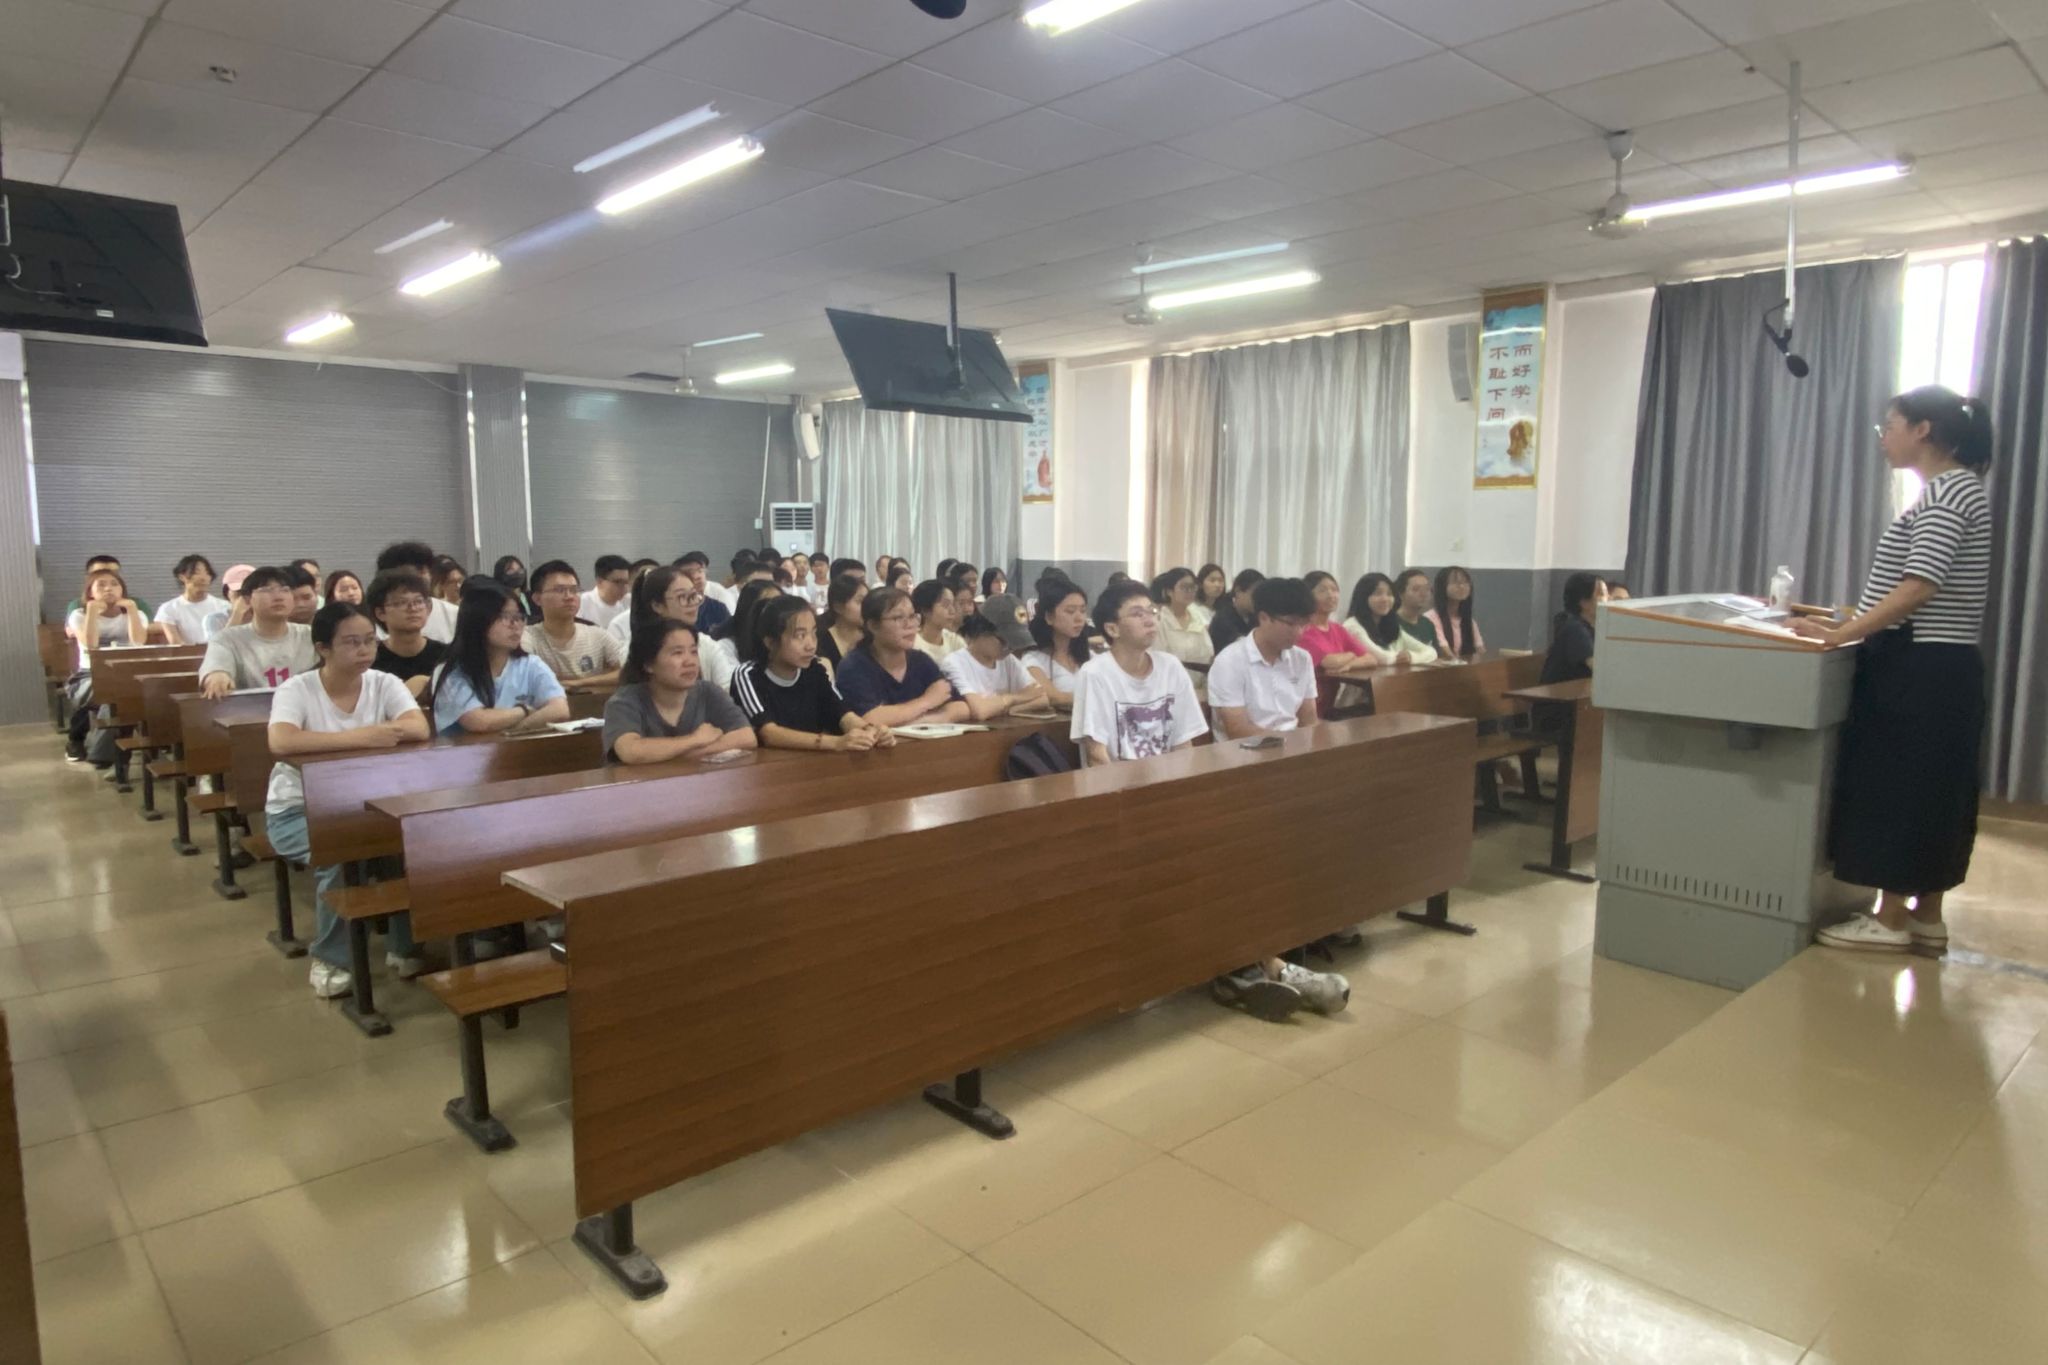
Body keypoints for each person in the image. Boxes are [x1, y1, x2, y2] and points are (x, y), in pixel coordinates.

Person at [1790, 387, 1993, 954]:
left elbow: (1918, 587)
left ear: (1923, 430)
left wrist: (1840, 634)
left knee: (1901, 786)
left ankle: (1891, 918)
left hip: (1919, 665)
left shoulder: (1947, 493)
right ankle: (1926, 916)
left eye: (1891, 425)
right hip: (1937, 666)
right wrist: (1846, 619)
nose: (1883, 438)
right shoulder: (1955, 489)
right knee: (1934, 788)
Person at [261, 602, 431, 997]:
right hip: (297, 812)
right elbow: (282, 740)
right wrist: (364, 737)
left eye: (370, 640)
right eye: (352, 642)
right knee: (340, 856)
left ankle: (404, 947)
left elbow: (417, 728)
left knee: (404, 846)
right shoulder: (297, 689)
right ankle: (331, 959)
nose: (364, 650)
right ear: (323, 648)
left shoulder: (383, 682)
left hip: (367, 809)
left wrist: (357, 737)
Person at [1204, 576, 1353, 1019]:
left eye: (1305, 622)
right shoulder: (1231, 661)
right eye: (1291, 623)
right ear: (1264, 617)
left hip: (1290, 769)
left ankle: (1309, 931)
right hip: (1240, 773)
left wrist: (1309, 759)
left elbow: (1309, 720)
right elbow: (1237, 731)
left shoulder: (1300, 659)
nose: (1300, 632)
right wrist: (1291, 749)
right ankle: (1266, 961)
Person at [731, 596, 895, 751]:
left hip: (812, 761)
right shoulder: (749, 675)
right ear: (770, 642)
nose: (811, 645)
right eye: (800, 636)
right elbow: (769, 733)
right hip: (769, 765)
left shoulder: (814, 669)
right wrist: (836, 743)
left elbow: (842, 714)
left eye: (813, 633)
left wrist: (871, 731)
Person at [1070, 580, 1206, 766]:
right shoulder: (1095, 673)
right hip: (1116, 781)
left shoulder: (1170, 667)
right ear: (1112, 629)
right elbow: (1096, 755)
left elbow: (1183, 744)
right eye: (1137, 614)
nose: (1150, 620)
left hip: (1167, 780)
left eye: (1152, 611)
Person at [601, 618, 755, 764]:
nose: (690, 662)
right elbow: (630, 751)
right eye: (677, 653)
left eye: (693, 652)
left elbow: (746, 737)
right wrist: (695, 739)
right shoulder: (624, 701)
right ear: (648, 664)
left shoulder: (708, 692)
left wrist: (692, 753)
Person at [432, 579, 569, 737]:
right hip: (467, 752)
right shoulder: (452, 670)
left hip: (517, 749)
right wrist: (525, 710)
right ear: (478, 621)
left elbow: (560, 709)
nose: (515, 625)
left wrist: (515, 731)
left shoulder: (531, 664)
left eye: (519, 617)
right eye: (505, 617)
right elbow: (478, 721)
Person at [834, 587, 970, 726]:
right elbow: (870, 719)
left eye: (912, 616)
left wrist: (923, 722)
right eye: (898, 618)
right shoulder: (854, 666)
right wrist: (927, 701)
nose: (909, 625)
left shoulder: (921, 661)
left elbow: (962, 707)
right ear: (873, 626)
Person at [62, 568, 149, 762]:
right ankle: (110, 758)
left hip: (127, 675)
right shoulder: (79, 615)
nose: (108, 589)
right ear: (90, 592)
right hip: (88, 675)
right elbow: (90, 645)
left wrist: (132, 610)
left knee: (123, 697)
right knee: (121, 695)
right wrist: (93, 611)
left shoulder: (136, 614)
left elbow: (138, 642)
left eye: (114, 584)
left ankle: (108, 759)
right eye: (101, 585)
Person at [198, 566, 317, 699]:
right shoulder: (226, 639)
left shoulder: (311, 635)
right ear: (247, 599)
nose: (278, 597)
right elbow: (216, 666)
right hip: (249, 710)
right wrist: (218, 675)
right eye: (267, 590)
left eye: (285, 590)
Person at [523, 560, 624, 691]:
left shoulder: (597, 634)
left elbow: (629, 671)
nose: (569, 597)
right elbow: (524, 677)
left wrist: (579, 683)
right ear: (537, 599)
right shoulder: (527, 636)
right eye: (560, 590)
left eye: (574, 590)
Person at [942, 603, 1050, 721]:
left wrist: (1009, 708)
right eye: (1004, 641)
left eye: (1015, 643)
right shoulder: (954, 663)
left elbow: (1042, 698)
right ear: (980, 630)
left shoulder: (1009, 661)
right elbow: (980, 711)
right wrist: (1013, 698)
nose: (1009, 648)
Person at [365, 570, 446, 698]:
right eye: (401, 602)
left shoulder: (446, 656)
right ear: (380, 613)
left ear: (428, 608)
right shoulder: (370, 660)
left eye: (418, 601)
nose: (413, 608)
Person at [1343, 572, 1438, 666]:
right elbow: (1380, 658)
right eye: (1377, 593)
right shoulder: (1352, 625)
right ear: (1363, 597)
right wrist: (1400, 657)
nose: (1385, 599)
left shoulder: (1391, 626)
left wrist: (1411, 656)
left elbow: (1431, 652)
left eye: (1389, 594)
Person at [1022, 580, 1091, 709]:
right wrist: (1095, 697)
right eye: (1070, 611)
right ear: (1049, 617)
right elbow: (1053, 697)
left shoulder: (1090, 656)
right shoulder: (1033, 660)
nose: (1079, 618)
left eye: (1083, 611)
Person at [375, 542, 459, 643]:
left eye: (422, 571)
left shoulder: (454, 615)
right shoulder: (373, 624)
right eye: (408, 573)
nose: (417, 579)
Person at [1539, 572, 1606, 685]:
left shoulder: (1593, 627)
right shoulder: (1574, 629)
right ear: (1584, 602)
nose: (1609, 600)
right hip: (1558, 695)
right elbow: (1599, 669)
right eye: (1602, 594)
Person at [1296, 570, 1371, 670]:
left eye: (1334, 590)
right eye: (1322, 590)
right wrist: (1351, 654)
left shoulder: (1338, 629)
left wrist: (1350, 665)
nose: (1331, 595)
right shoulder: (1303, 629)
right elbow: (1330, 662)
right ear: (1308, 596)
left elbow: (1370, 659)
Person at [714, 579, 782, 679]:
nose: (776, 612)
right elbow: (733, 684)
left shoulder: (782, 640)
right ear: (749, 610)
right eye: (767, 605)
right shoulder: (725, 647)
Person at [1150, 567, 1215, 671]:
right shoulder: (1160, 619)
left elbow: (1208, 652)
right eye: (1184, 587)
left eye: (1193, 587)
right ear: (1169, 591)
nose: (1189, 592)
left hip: (1199, 677)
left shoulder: (1197, 617)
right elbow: (1157, 657)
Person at [155, 555, 228, 645]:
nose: (203, 578)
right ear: (182, 577)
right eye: (197, 573)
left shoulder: (224, 606)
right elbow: (176, 643)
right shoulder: (169, 608)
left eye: (207, 573)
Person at [1427, 565, 1485, 659]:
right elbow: (1446, 653)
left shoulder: (1469, 621)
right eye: (1455, 582)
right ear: (1442, 587)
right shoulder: (1430, 618)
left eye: (1465, 582)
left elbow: (1480, 651)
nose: (1462, 586)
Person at [65, 555, 151, 616]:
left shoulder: (135, 603)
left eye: (114, 573)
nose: (108, 576)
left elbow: (151, 626)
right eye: (100, 573)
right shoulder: (78, 605)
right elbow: (71, 631)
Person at [815, 573, 867, 673]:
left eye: (868, 600)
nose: (867, 606)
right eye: (860, 601)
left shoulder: (873, 637)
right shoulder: (821, 641)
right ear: (838, 607)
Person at [1208, 568, 1265, 653]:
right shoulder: (1223, 619)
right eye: (1254, 594)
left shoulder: (1256, 617)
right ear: (1238, 591)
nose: (1258, 600)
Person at [672, 552, 731, 631]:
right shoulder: (673, 609)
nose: (698, 576)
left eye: (700, 571)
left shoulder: (718, 608)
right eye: (690, 572)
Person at [911, 579, 965, 663]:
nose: (952, 611)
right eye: (946, 605)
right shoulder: (912, 644)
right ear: (926, 610)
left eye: (953, 604)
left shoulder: (955, 641)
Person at [1391, 569, 1444, 653]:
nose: (1424, 594)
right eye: (1416, 589)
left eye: (1427, 589)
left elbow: (1436, 655)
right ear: (1400, 594)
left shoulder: (1427, 624)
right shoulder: (1390, 622)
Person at [579, 554, 633, 630]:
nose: (625, 588)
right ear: (599, 581)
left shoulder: (630, 601)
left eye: (626, 582)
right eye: (618, 582)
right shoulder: (582, 603)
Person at [202, 564, 256, 638]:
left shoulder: (268, 618)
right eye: (239, 592)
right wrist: (237, 614)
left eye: (248, 592)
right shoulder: (215, 619)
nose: (244, 597)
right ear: (227, 593)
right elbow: (217, 644)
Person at [492, 555, 538, 621]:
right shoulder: (497, 601)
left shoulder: (531, 596)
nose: (517, 573)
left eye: (520, 570)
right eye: (511, 570)